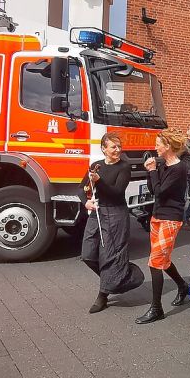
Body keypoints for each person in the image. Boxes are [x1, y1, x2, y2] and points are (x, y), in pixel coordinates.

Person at [81, 133, 144, 314]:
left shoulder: (124, 167)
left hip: (116, 213)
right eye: (113, 147)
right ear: (103, 149)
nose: (117, 150)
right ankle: (119, 278)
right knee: (87, 254)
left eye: (119, 146)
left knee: (110, 256)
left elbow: (116, 192)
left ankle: (103, 296)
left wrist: (99, 182)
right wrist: (86, 202)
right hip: (98, 213)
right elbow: (81, 188)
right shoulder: (96, 166)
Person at [137, 129, 190, 324]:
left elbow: (159, 191)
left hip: (170, 218)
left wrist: (152, 171)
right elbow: (153, 190)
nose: (155, 147)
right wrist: (150, 170)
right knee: (163, 260)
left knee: (155, 261)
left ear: (167, 146)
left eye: (158, 143)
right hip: (157, 216)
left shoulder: (179, 168)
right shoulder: (163, 165)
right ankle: (183, 286)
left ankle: (156, 308)